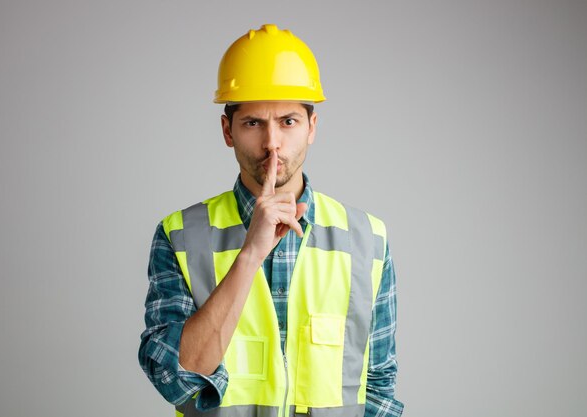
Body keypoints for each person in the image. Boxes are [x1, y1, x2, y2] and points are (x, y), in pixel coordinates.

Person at [138, 24, 404, 417]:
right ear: (227, 131)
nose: (272, 143)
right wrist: (250, 255)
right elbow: (175, 378)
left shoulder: (368, 239)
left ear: (312, 128)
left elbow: (378, 388)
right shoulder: (180, 236)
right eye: (252, 123)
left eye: (288, 121)